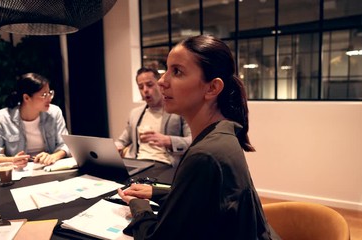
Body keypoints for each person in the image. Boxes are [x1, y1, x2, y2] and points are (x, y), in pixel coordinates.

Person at [117, 35, 281, 239]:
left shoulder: (205, 155)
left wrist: (139, 207)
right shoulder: (222, 134)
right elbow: (205, 199)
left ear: (212, 88)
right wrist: (155, 193)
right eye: (166, 69)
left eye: (176, 71)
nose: (162, 81)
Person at [0, 73, 70, 168]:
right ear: (26, 98)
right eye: (44, 95)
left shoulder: (54, 112)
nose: (49, 98)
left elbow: (65, 145)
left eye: (50, 93)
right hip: (19, 172)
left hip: (47, 167)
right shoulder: (2, 118)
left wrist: (52, 156)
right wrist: (12, 160)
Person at [115, 67, 191, 166]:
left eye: (149, 85)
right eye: (141, 87)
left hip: (164, 163)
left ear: (160, 85)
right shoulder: (135, 113)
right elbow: (122, 140)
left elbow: (193, 141)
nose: (145, 90)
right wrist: (115, 148)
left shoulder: (179, 111)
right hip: (137, 162)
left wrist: (168, 141)